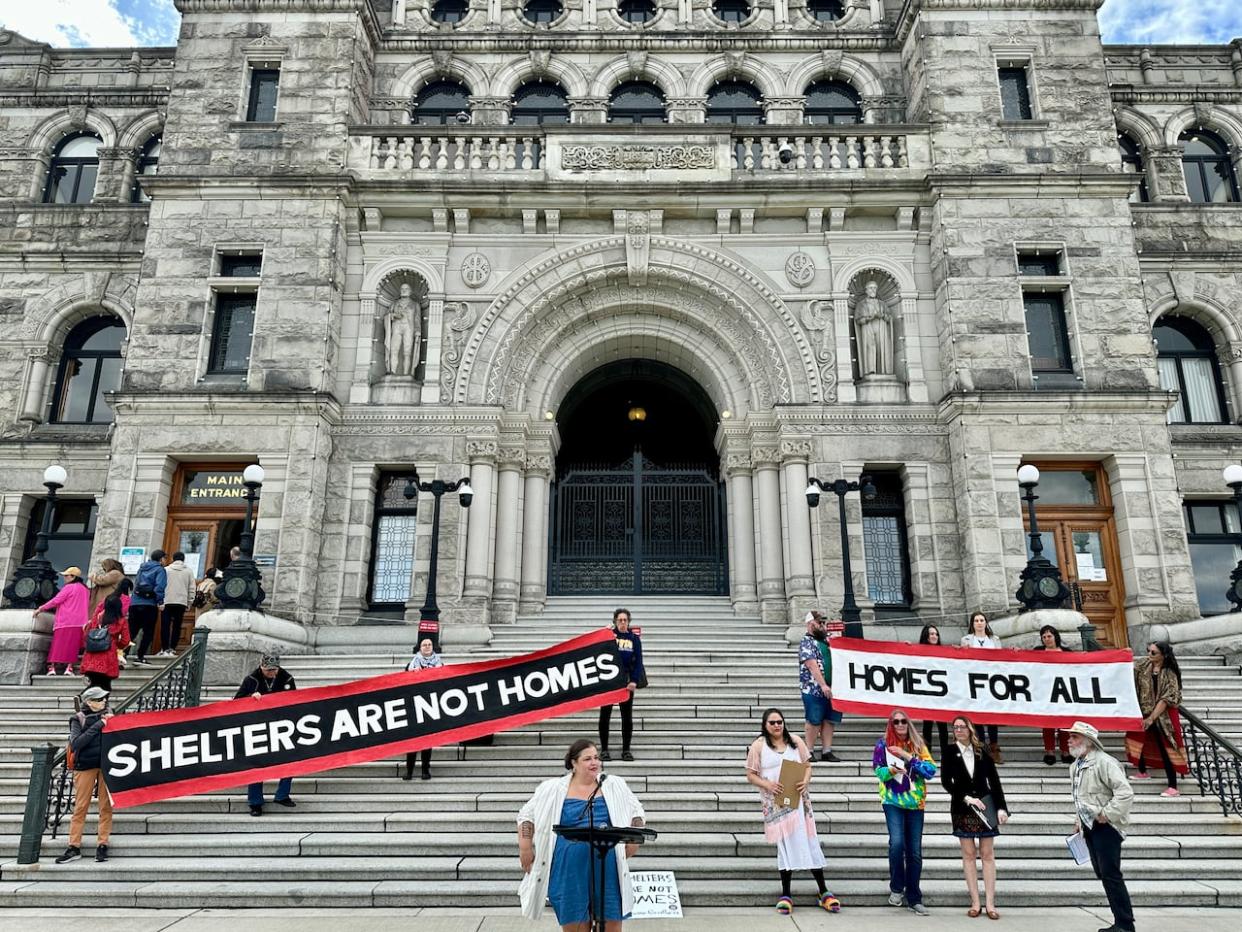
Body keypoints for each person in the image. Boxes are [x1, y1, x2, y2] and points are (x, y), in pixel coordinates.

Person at [517, 738, 647, 929]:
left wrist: (634, 839)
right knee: (575, 925)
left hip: (607, 867)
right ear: (573, 763)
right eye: (587, 759)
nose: (594, 762)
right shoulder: (551, 788)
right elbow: (526, 816)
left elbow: (637, 811)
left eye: (596, 757)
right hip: (569, 869)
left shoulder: (614, 784)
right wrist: (525, 848)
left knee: (611, 923)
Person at [745, 707, 839, 915]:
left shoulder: (796, 742)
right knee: (785, 846)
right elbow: (750, 775)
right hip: (776, 803)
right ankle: (786, 893)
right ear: (765, 725)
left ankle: (823, 890)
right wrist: (767, 785)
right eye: (772, 723)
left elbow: (807, 766)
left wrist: (806, 782)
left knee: (809, 842)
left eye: (780, 721)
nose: (777, 725)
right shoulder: (758, 746)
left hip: (798, 801)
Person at [1067, 721, 1135, 932]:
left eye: (1074, 737)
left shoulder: (1105, 763)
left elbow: (1125, 792)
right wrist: (1078, 820)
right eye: (1070, 736)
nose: (1069, 740)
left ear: (1088, 742)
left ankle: (1125, 924)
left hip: (1107, 827)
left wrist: (1107, 813)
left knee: (1111, 874)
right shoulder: (1076, 765)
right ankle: (1120, 921)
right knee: (1104, 873)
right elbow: (1081, 796)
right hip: (1090, 826)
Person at [940, 715, 1009, 920]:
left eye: (962, 727)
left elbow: (994, 781)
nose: (958, 730)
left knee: (987, 854)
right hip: (963, 807)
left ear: (971, 729)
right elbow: (946, 781)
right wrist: (966, 798)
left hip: (985, 806)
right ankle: (975, 902)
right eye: (955, 727)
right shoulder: (949, 752)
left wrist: (1001, 808)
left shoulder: (982, 751)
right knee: (969, 854)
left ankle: (990, 903)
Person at [873, 708, 937, 916]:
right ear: (890, 724)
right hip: (892, 800)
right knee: (897, 842)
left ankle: (914, 897)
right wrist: (891, 770)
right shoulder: (882, 745)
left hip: (915, 803)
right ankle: (897, 888)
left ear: (908, 724)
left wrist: (907, 756)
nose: (900, 725)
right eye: (896, 722)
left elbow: (930, 772)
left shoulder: (918, 745)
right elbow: (878, 771)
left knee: (914, 851)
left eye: (903, 721)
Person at [55, 686, 114, 863]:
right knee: (81, 806)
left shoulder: (110, 716)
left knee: (106, 807)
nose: (104, 701)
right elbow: (77, 743)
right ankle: (74, 846)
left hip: (106, 766)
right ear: (89, 702)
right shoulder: (78, 719)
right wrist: (99, 724)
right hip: (85, 766)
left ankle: (102, 844)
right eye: (99, 699)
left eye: (104, 698)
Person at [236, 654, 297, 815]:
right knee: (257, 765)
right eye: (269, 670)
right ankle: (255, 802)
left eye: (274, 670)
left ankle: (282, 795)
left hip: (281, 726)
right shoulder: (251, 680)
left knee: (289, 760)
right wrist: (250, 698)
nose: (272, 673)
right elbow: (236, 702)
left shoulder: (287, 679)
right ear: (261, 667)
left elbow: (294, 701)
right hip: (258, 728)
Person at [1126, 640, 1188, 797]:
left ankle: (1173, 786)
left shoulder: (1170, 672)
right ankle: (1142, 771)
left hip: (1164, 715)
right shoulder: (1144, 665)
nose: (1149, 654)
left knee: (1166, 746)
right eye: (1148, 651)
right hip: (1144, 710)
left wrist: (1152, 717)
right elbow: (1128, 668)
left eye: (1153, 652)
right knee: (1137, 737)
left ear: (1163, 655)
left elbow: (1167, 698)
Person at [598, 608, 645, 762]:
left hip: (626, 682)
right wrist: (602, 634)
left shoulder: (634, 639)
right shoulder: (609, 636)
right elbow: (597, 650)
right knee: (605, 716)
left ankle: (626, 750)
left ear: (628, 622)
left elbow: (639, 662)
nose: (623, 622)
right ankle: (604, 750)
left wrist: (634, 681)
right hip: (609, 681)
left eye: (625, 620)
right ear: (615, 621)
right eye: (620, 620)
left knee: (627, 717)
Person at [798, 611, 841, 762]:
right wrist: (823, 684)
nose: (822, 626)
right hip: (813, 688)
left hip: (833, 687)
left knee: (830, 719)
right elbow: (811, 663)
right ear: (810, 624)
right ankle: (808, 750)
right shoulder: (806, 641)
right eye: (819, 623)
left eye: (823, 623)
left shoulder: (827, 641)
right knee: (814, 719)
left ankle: (826, 750)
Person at [960, 612, 1003, 763]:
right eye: (976, 620)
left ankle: (994, 747)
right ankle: (982, 746)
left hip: (992, 681)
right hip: (975, 681)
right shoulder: (966, 640)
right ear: (972, 623)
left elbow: (1002, 659)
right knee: (978, 714)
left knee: (992, 715)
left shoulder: (994, 640)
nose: (979, 623)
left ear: (986, 623)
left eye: (982, 620)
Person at [37, 566, 90, 676]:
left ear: (73, 576)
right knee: (72, 646)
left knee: (57, 645)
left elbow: (56, 601)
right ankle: (69, 668)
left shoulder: (68, 588)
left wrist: (41, 608)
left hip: (65, 621)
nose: (64, 578)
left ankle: (52, 668)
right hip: (80, 622)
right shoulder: (85, 589)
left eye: (66, 576)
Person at [404, 637, 443, 781]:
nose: (427, 647)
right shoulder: (411, 665)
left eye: (429, 645)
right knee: (412, 741)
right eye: (424, 645)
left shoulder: (440, 664)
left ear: (433, 647)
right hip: (414, 707)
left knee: (427, 740)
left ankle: (425, 770)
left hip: (430, 707)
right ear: (419, 648)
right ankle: (409, 771)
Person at [1036, 625, 1074, 765]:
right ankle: (1050, 751)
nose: (1047, 639)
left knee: (1064, 723)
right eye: (1044, 637)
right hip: (1045, 692)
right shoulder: (1037, 651)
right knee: (1048, 723)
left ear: (1055, 636)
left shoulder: (1067, 652)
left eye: (1049, 636)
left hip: (1064, 692)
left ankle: (1066, 751)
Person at [79, 595, 131, 693]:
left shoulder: (97, 617)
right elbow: (125, 640)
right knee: (105, 687)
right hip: (108, 657)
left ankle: (86, 701)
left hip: (91, 657)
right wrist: (116, 645)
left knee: (94, 684)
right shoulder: (121, 621)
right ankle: (84, 698)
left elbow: (86, 635)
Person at [129, 549, 167, 665]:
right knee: (148, 632)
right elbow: (159, 587)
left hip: (135, 603)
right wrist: (160, 602)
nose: (166, 561)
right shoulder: (160, 570)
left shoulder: (142, 568)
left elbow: (136, 584)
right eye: (165, 558)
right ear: (161, 559)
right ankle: (140, 656)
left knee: (132, 631)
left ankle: (122, 654)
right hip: (149, 604)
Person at [917, 625, 950, 756]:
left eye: (936, 634)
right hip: (927, 694)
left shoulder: (944, 651)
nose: (934, 636)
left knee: (943, 727)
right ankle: (927, 755)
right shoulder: (919, 651)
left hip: (941, 695)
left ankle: (946, 754)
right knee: (927, 726)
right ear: (926, 636)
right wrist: (908, 648)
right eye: (931, 634)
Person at [157, 551, 195, 657]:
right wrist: (189, 602)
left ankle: (164, 649)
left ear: (173, 559)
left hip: (167, 601)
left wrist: (160, 601)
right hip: (181, 602)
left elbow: (160, 585)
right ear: (183, 559)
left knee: (165, 625)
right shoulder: (188, 571)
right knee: (177, 626)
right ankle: (173, 648)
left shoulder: (166, 570)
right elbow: (192, 588)